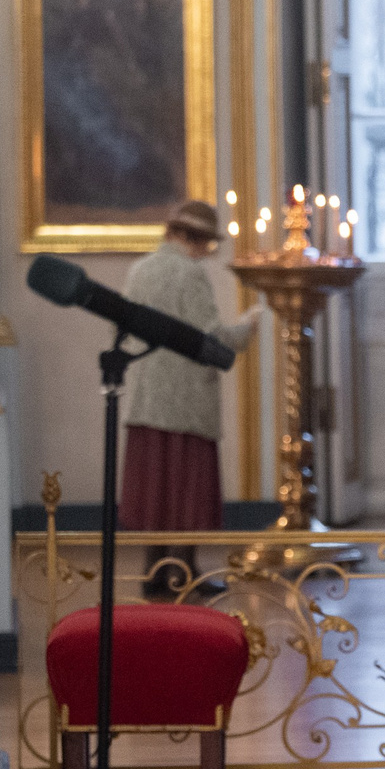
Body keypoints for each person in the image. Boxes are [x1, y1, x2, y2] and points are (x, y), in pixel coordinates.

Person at [120, 200, 261, 596]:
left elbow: (125, 332)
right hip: (186, 398)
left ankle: (153, 571)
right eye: (205, 243)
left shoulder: (139, 269)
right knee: (186, 490)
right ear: (188, 237)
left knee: (155, 491)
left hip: (147, 396)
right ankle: (182, 571)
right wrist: (246, 328)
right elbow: (210, 336)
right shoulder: (190, 273)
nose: (206, 252)